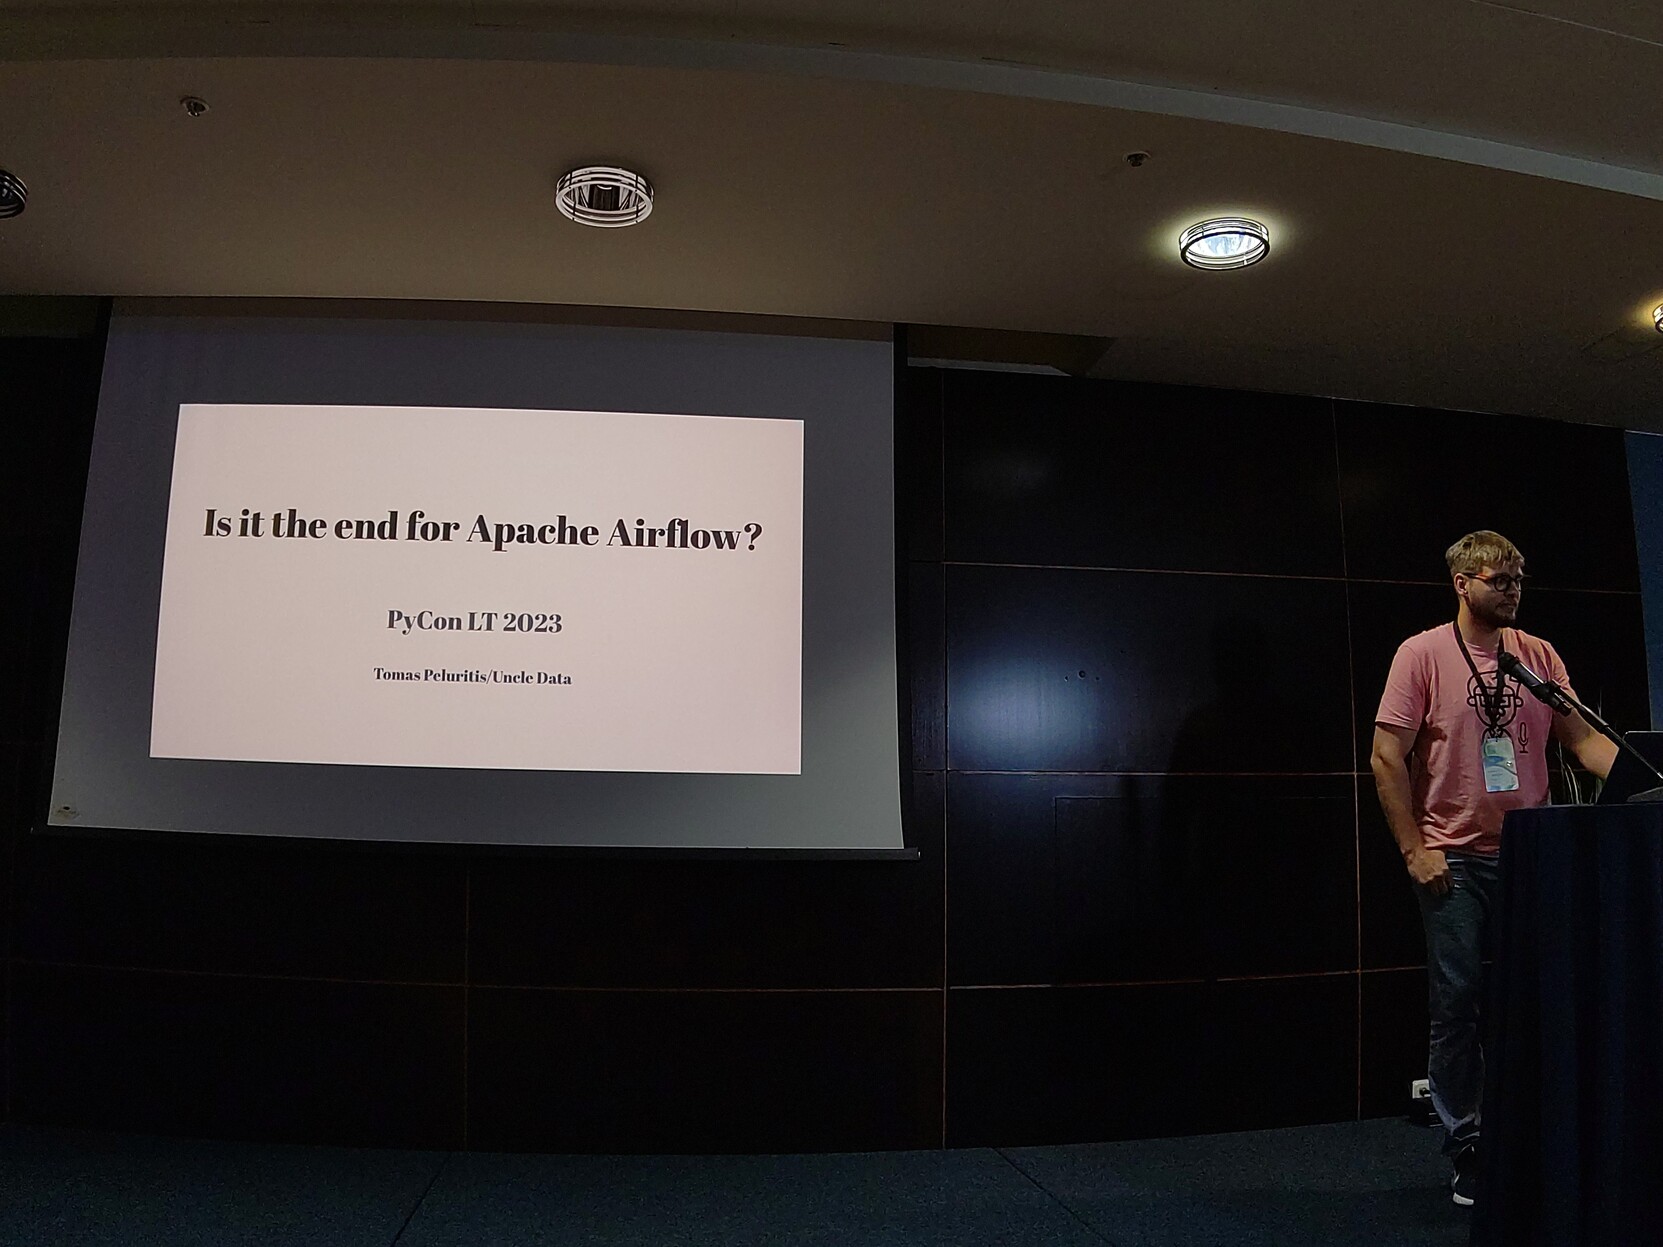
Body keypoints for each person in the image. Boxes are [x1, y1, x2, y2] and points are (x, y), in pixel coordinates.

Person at [1370, 530, 1614, 1208]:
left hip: (1533, 858)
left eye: (1517, 577)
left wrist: (1643, 781)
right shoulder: (1419, 653)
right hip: (1452, 859)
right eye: (1496, 577)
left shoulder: (1536, 655)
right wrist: (1414, 848)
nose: (1510, 588)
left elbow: (1583, 739)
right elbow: (1385, 756)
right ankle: (1468, 1144)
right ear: (1461, 583)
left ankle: (1531, 1129)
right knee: (1457, 1005)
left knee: (1536, 1000)